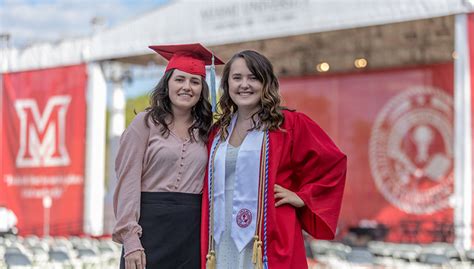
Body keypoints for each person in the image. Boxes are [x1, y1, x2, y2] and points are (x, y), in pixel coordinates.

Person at [201, 50, 347, 269]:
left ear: (266, 82)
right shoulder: (218, 132)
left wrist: (303, 197)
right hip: (222, 233)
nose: (244, 85)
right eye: (237, 78)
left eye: (253, 77)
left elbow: (333, 163)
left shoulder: (288, 124)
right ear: (227, 83)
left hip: (269, 232)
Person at [113, 43, 224, 269]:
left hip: (191, 233)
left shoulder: (207, 131)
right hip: (148, 230)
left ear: (202, 88)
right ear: (167, 83)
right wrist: (131, 239)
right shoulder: (144, 123)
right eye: (180, 79)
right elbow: (128, 182)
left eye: (195, 81)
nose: (187, 87)